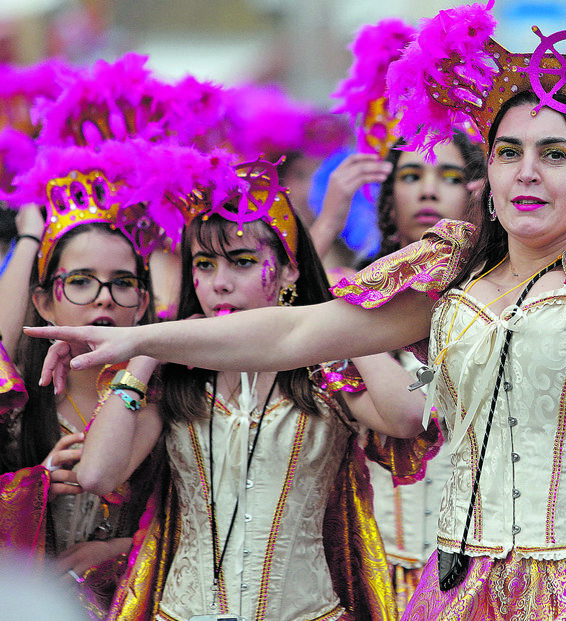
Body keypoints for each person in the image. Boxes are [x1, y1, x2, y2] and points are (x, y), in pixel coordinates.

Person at [30, 7, 566, 620]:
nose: (527, 172)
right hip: (467, 583)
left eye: (555, 154)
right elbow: (295, 329)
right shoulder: (451, 273)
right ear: (489, 174)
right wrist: (139, 338)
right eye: (509, 152)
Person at [65, 160, 428, 621]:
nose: (220, 283)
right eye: (204, 264)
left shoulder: (324, 371)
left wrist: (343, 321)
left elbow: (407, 417)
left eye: (242, 262)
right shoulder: (175, 376)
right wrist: (147, 351)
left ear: (289, 271)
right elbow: (98, 475)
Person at [331, 17, 487, 613]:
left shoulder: (502, 297)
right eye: (411, 175)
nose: (427, 190)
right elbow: (404, 416)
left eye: (449, 176)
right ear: (388, 197)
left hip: (484, 574)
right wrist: (327, 226)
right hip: (380, 576)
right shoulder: (352, 298)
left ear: (476, 193)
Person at [0, 156, 156, 590]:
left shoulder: (164, 396)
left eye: (122, 283)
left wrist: (121, 549)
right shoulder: (17, 403)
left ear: (143, 306)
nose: (104, 298)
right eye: (81, 281)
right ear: (44, 302)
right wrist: (34, 486)